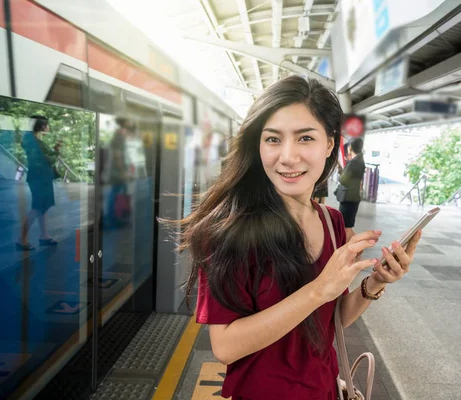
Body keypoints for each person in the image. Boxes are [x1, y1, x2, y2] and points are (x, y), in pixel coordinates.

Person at [179, 76, 422, 399]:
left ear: (330, 145)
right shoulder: (229, 232)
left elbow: (329, 321)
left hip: (323, 389)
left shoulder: (331, 221)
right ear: (258, 145)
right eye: (273, 139)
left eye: (305, 138)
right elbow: (225, 346)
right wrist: (318, 289)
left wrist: (376, 282)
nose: (288, 157)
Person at [17, 116, 60, 251]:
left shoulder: (32, 139)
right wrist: (56, 153)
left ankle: (44, 236)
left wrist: (54, 150)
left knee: (42, 207)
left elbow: (44, 155)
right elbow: (46, 159)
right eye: (47, 125)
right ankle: (21, 239)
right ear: (42, 126)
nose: (48, 127)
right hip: (40, 178)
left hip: (39, 177)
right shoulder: (34, 141)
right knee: (37, 208)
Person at [336, 137, 366, 242]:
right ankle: (356, 246)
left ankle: (354, 248)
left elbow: (344, 180)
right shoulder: (359, 160)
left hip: (348, 197)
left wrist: (340, 174)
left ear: (350, 148)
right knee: (347, 227)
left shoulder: (353, 163)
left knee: (345, 228)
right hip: (353, 197)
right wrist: (341, 169)